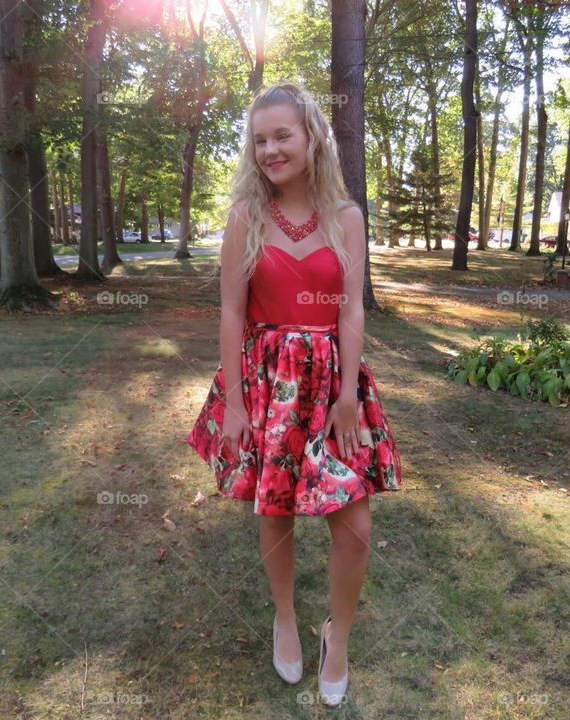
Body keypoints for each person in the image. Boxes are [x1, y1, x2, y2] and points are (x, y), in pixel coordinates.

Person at [185, 82, 404, 707]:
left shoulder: (347, 217)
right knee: (275, 509)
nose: (270, 150)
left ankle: (338, 638)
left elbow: (352, 310)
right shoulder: (245, 217)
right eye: (260, 140)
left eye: (282, 135)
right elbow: (231, 313)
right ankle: (285, 615)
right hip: (266, 382)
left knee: (355, 524)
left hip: (332, 385)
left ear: (312, 137)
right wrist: (234, 401)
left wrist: (346, 395)